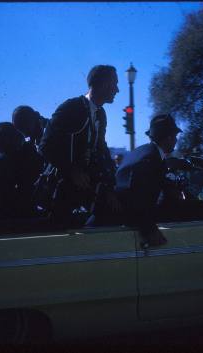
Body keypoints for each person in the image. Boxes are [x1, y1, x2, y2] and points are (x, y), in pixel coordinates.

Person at [39, 65, 121, 226]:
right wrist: (72, 171)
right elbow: (45, 145)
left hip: (85, 184)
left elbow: (101, 149)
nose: (117, 90)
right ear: (103, 84)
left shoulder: (100, 114)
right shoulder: (72, 107)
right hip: (63, 186)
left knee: (114, 211)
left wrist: (110, 185)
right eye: (115, 84)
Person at [115, 114, 181, 248]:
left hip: (114, 221)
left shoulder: (142, 152)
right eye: (174, 137)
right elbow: (138, 199)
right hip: (121, 228)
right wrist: (150, 230)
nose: (175, 141)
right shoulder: (151, 159)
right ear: (168, 138)